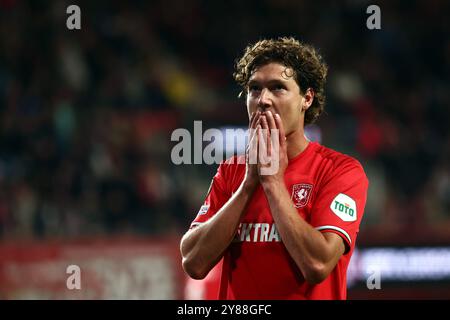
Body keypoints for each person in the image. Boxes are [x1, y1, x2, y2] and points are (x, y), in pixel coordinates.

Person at [180, 37, 369, 299]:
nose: (263, 100)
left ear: (307, 98)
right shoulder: (232, 171)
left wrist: (272, 182)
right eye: (254, 89)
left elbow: (317, 264)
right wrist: (248, 184)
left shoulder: (340, 171)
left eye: (278, 88)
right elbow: (193, 262)